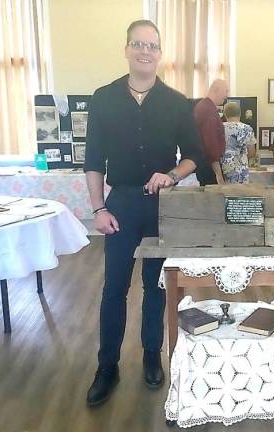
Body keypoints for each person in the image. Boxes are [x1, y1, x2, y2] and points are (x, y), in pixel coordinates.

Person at [83, 20, 201, 407]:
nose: (145, 51)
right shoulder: (103, 98)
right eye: (138, 44)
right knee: (114, 289)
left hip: (160, 208)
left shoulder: (176, 102)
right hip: (119, 205)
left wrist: (170, 174)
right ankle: (107, 366)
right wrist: (98, 208)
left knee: (157, 286)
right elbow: (92, 160)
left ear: (160, 53)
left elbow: (195, 158)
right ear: (127, 48)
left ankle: (152, 354)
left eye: (152, 45)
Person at [193, 79, 229, 185]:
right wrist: (218, 175)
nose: (227, 95)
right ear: (216, 90)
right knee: (214, 199)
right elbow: (211, 146)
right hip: (210, 168)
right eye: (226, 91)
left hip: (205, 165)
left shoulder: (204, 106)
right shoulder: (208, 111)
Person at [221, 102, 257, 183]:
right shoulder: (247, 129)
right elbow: (252, 153)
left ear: (225, 114)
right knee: (241, 194)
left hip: (223, 170)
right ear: (240, 113)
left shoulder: (219, 127)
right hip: (241, 171)